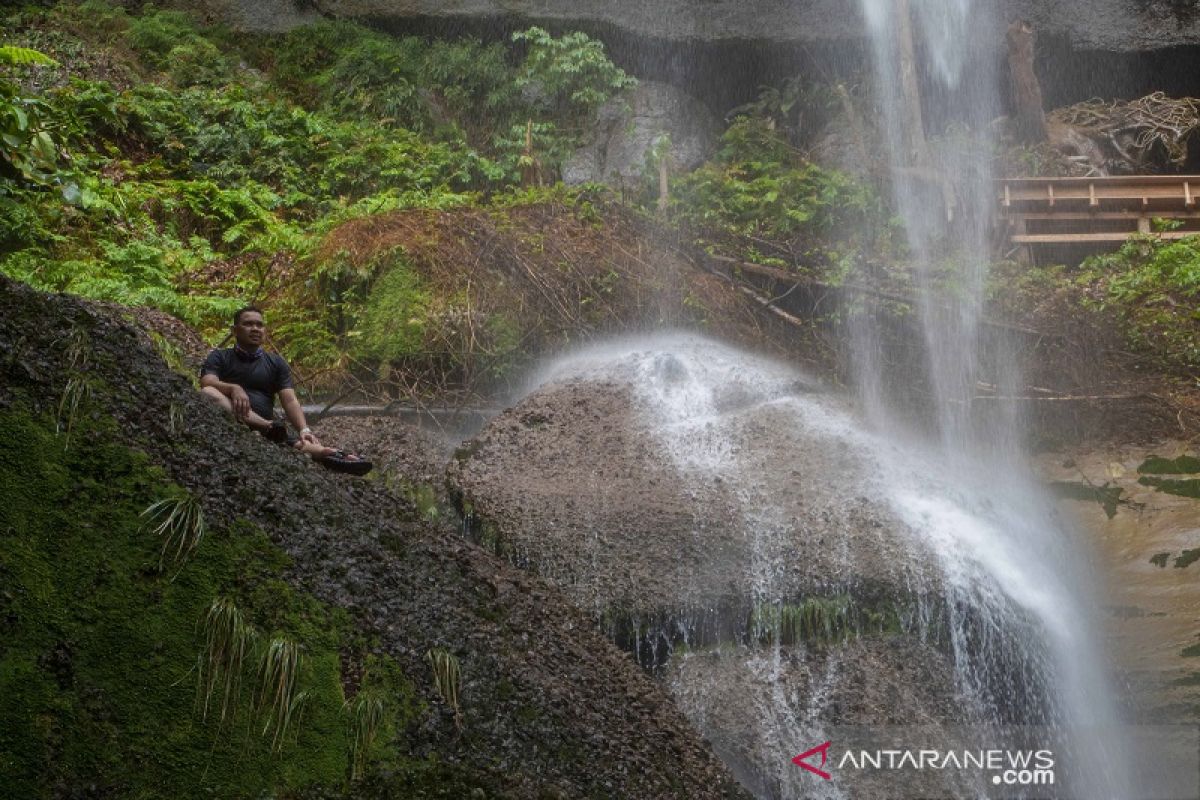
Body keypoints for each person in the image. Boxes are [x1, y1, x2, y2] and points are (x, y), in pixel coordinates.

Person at [200, 306, 371, 475]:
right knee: (209, 392)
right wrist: (233, 388)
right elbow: (207, 381)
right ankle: (266, 426)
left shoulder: (275, 363)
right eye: (248, 324)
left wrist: (304, 430)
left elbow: (289, 400)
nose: (255, 329)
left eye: (259, 325)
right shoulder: (220, 356)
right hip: (234, 418)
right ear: (235, 330)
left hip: (271, 429)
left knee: (309, 447)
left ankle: (335, 455)